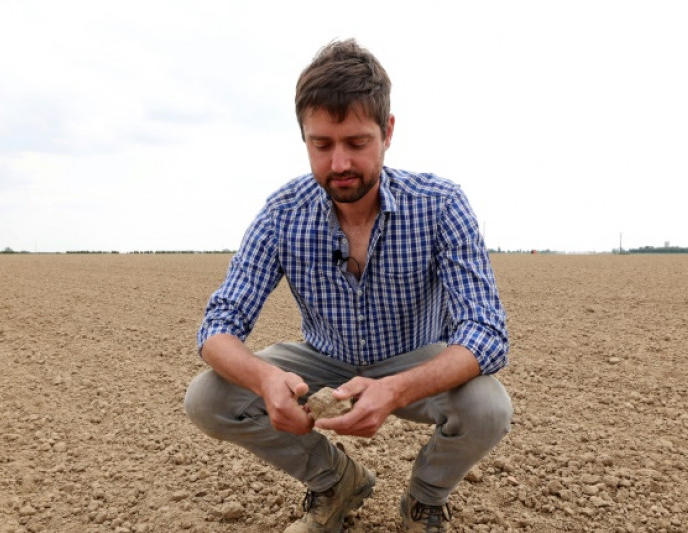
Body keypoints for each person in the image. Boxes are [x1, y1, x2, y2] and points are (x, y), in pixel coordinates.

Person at [184, 38, 513, 533]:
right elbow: (218, 326)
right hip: (325, 360)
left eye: (357, 143)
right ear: (304, 138)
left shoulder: (440, 204)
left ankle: (424, 499)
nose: (339, 163)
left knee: (488, 408)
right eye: (322, 144)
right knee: (208, 399)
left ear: (388, 132)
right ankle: (336, 481)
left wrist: (394, 388)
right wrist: (266, 380)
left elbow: (486, 332)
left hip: (413, 358)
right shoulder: (282, 213)